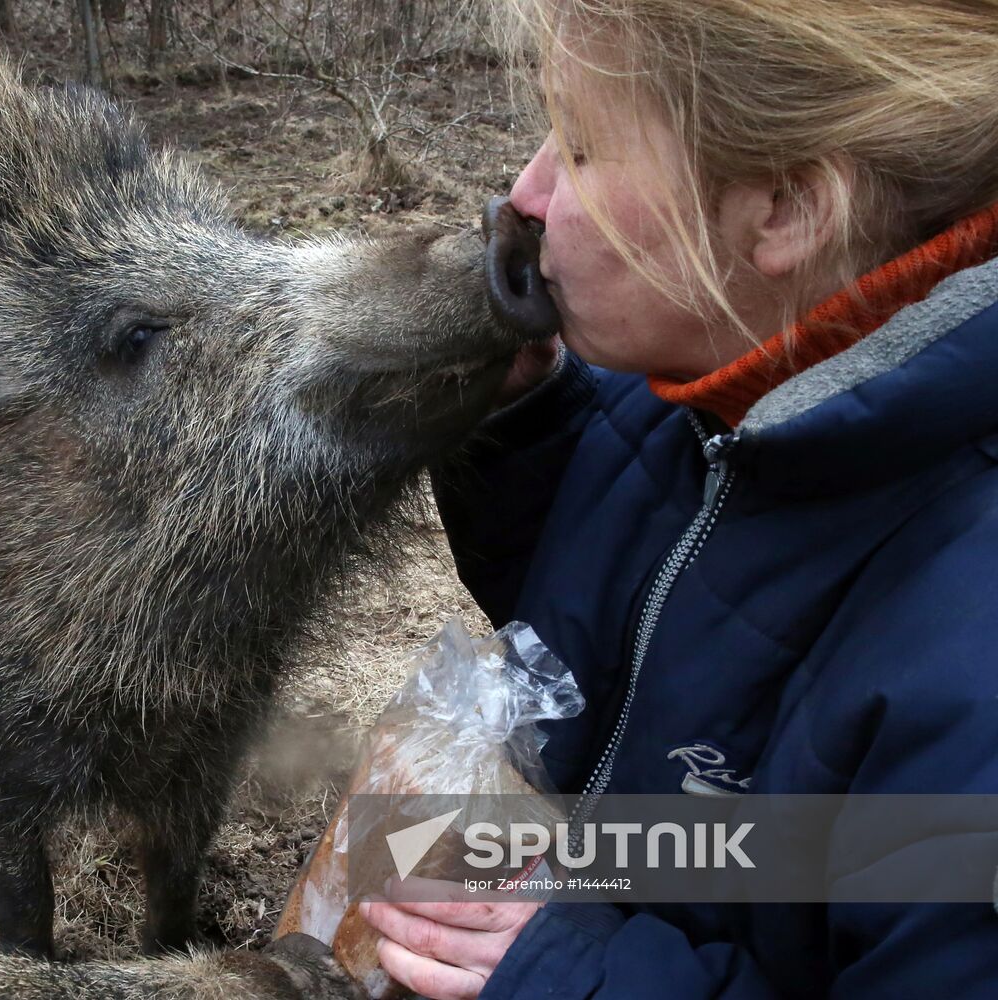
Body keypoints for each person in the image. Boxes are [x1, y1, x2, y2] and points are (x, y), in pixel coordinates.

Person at [358, 1, 998, 997]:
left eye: (578, 147)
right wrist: (530, 427)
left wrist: (577, 978)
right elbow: (659, 622)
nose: (523, 197)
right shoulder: (728, 372)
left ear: (784, 210)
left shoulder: (974, 661)